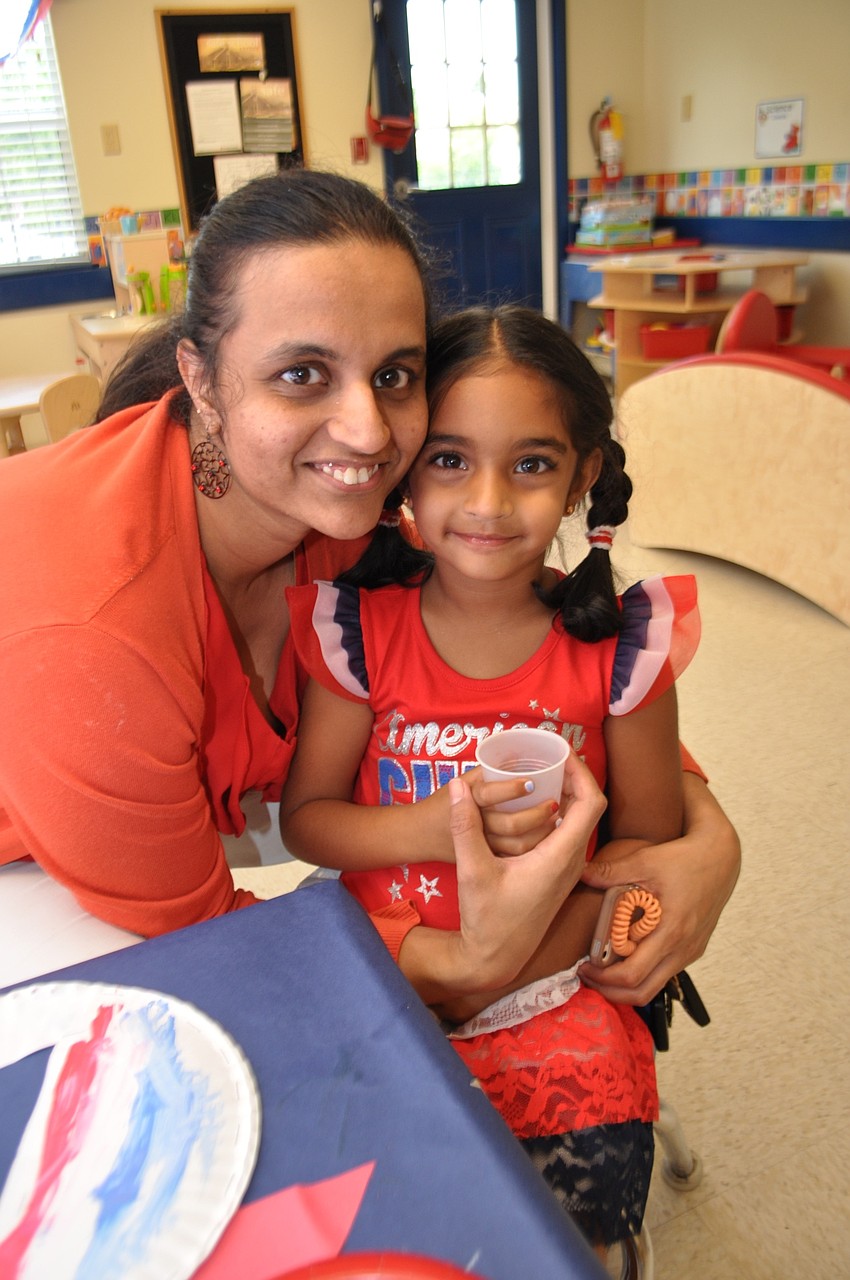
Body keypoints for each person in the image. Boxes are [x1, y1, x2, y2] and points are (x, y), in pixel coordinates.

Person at [0, 169, 737, 1036]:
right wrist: (462, 966)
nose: (369, 431)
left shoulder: (359, 510)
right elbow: (205, 947)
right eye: (303, 373)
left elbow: (551, 654)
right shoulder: (89, 635)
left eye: (395, 374)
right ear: (200, 378)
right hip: (42, 879)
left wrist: (708, 841)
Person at [279, 304, 702, 1251]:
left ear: (585, 476)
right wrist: (436, 829)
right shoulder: (357, 632)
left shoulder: (622, 651)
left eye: (534, 464)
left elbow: (642, 847)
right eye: (450, 459)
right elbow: (308, 821)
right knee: (349, 1192)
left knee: (564, 1202)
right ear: (403, 466)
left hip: (551, 976)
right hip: (383, 962)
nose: (488, 503)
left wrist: (513, 965)